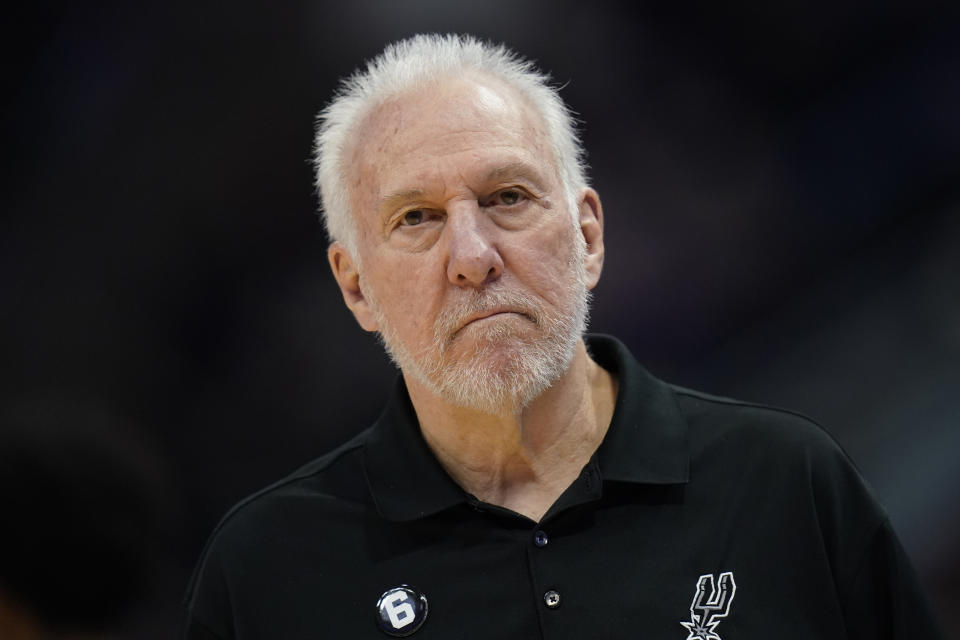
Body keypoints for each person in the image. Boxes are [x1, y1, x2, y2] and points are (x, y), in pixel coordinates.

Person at [183, 34, 944, 639]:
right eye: (415, 218)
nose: (473, 258)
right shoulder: (270, 568)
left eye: (507, 197)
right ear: (356, 286)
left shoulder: (788, 484)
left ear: (587, 234)